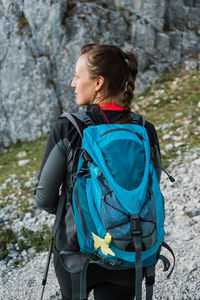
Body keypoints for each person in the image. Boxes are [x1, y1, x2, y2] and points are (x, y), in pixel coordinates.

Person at [34, 43, 161, 300]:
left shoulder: (68, 128)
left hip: (76, 250)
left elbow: (44, 198)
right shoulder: (144, 129)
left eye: (78, 76)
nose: (73, 83)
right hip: (127, 246)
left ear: (98, 83)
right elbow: (149, 187)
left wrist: (76, 207)